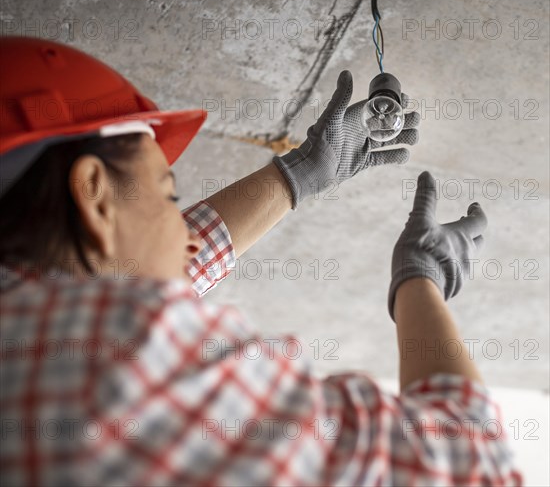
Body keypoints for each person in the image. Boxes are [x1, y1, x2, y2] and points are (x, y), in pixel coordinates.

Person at [0, 37, 522, 486]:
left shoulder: (45, 342)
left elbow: (153, 270)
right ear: (94, 194)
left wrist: (297, 176)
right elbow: (470, 465)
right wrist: (421, 280)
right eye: (168, 197)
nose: (187, 244)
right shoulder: (111, 356)